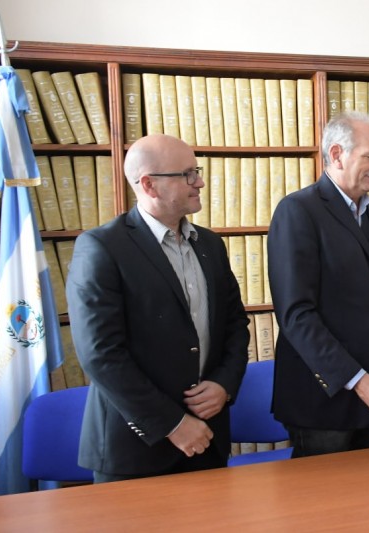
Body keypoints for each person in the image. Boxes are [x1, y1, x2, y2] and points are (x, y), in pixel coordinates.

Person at [66, 134, 249, 482]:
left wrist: (224, 385)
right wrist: (172, 424)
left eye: (197, 172)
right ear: (149, 184)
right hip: (135, 449)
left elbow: (236, 325)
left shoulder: (210, 244)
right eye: (188, 174)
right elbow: (101, 353)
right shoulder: (102, 247)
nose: (200, 182)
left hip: (208, 438)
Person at [267, 112, 369, 457]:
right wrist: (356, 378)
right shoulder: (297, 211)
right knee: (326, 493)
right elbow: (296, 315)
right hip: (324, 398)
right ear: (336, 155)